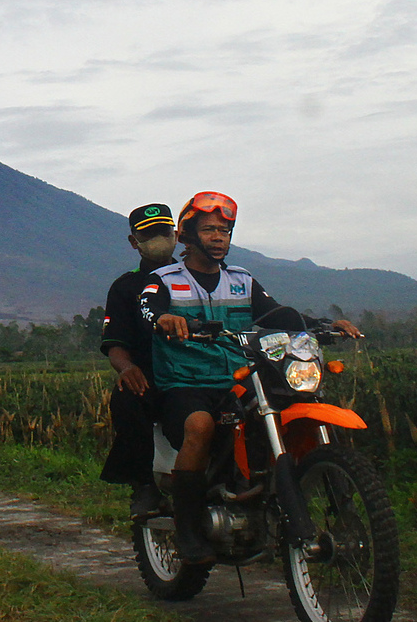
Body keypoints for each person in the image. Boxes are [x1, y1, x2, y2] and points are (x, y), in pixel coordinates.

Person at [138, 191, 359, 564]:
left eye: (224, 230)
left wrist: (322, 325)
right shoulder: (163, 280)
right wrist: (164, 319)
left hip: (239, 379)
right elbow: (147, 307)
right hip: (186, 384)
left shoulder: (242, 281)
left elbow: (277, 315)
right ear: (187, 235)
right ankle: (188, 528)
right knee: (200, 426)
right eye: (209, 229)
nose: (219, 237)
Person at [99, 203, 178, 520]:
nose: (159, 239)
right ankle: (144, 484)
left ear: (176, 235)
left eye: (164, 232)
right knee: (126, 399)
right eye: (149, 235)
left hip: (200, 372)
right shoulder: (125, 287)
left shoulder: (197, 278)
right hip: (154, 376)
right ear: (134, 242)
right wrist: (128, 369)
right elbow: (115, 342)